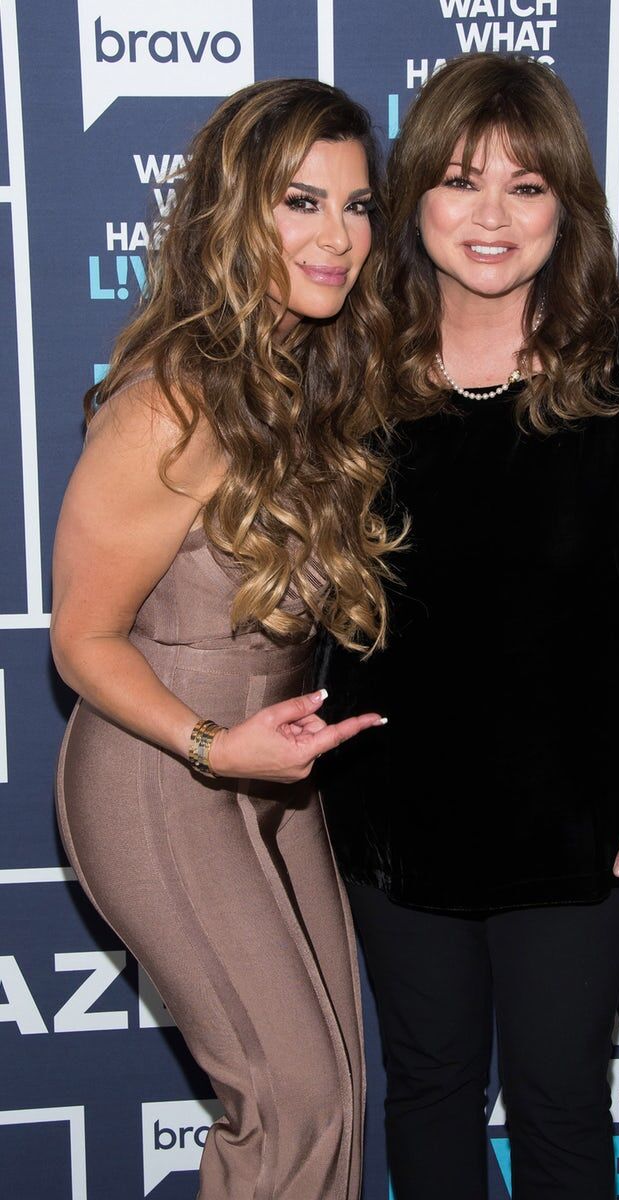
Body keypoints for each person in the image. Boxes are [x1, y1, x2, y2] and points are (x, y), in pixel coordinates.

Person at [320, 54, 619, 1200]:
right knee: (429, 1090)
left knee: (561, 1107)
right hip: (396, 818)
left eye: (528, 186)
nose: (492, 217)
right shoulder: (345, 369)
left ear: (569, 205)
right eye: (461, 181)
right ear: (414, 198)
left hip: (580, 828)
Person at [52, 78, 398, 1200]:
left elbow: (494, 321)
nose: (337, 238)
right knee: (293, 1105)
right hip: (165, 768)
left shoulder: (318, 369)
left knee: (337, 1088)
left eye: (356, 207)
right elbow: (83, 639)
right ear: (237, 211)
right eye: (303, 202)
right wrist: (211, 746)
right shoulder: (170, 405)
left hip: (279, 764)